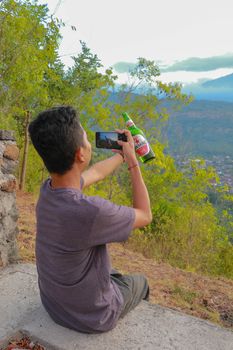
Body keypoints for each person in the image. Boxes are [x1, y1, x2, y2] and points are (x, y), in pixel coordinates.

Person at [28, 106, 152, 334]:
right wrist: (134, 163)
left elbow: (96, 173)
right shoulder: (90, 212)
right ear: (80, 154)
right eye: (85, 138)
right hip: (94, 316)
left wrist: (122, 154)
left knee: (111, 271)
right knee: (141, 281)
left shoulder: (48, 190)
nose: (88, 141)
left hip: (54, 306)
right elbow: (145, 215)